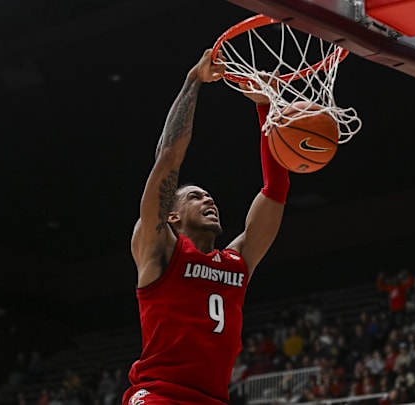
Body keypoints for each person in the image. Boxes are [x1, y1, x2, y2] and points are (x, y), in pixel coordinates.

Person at [122, 48, 290, 405]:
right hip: (158, 395)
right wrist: (193, 81)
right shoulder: (159, 249)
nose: (209, 200)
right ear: (172, 215)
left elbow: (275, 191)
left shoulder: (238, 261)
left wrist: (265, 106)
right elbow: (168, 158)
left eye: (210, 197)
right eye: (196, 197)